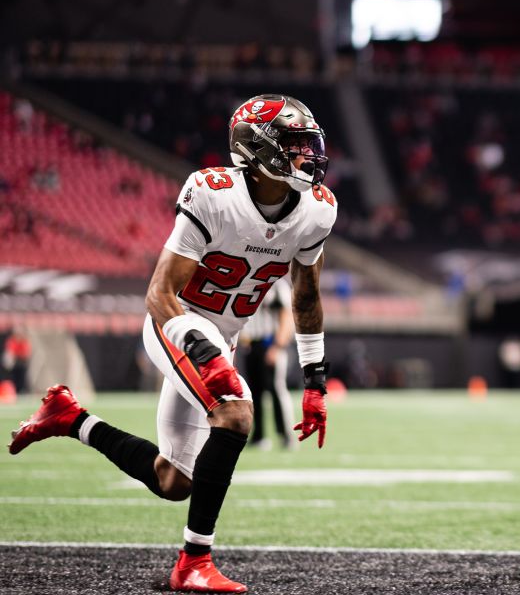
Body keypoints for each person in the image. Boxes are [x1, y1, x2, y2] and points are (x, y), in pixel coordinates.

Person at [9, 94, 338, 593]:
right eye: (293, 146)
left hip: (221, 336)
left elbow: (307, 294)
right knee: (236, 412)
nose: (306, 156)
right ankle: (193, 564)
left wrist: (314, 380)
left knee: (173, 481)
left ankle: (71, 418)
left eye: (308, 145)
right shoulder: (213, 192)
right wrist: (205, 355)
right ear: (257, 149)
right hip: (177, 322)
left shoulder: (317, 210)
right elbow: (159, 294)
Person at [239, 278, 297, 450]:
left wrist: (277, 346)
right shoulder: (246, 282)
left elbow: (286, 317)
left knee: (276, 390)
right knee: (253, 393)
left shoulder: (278, 285)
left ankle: (286, 435)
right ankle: (259, 436)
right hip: (250, 345)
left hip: (270, 344)